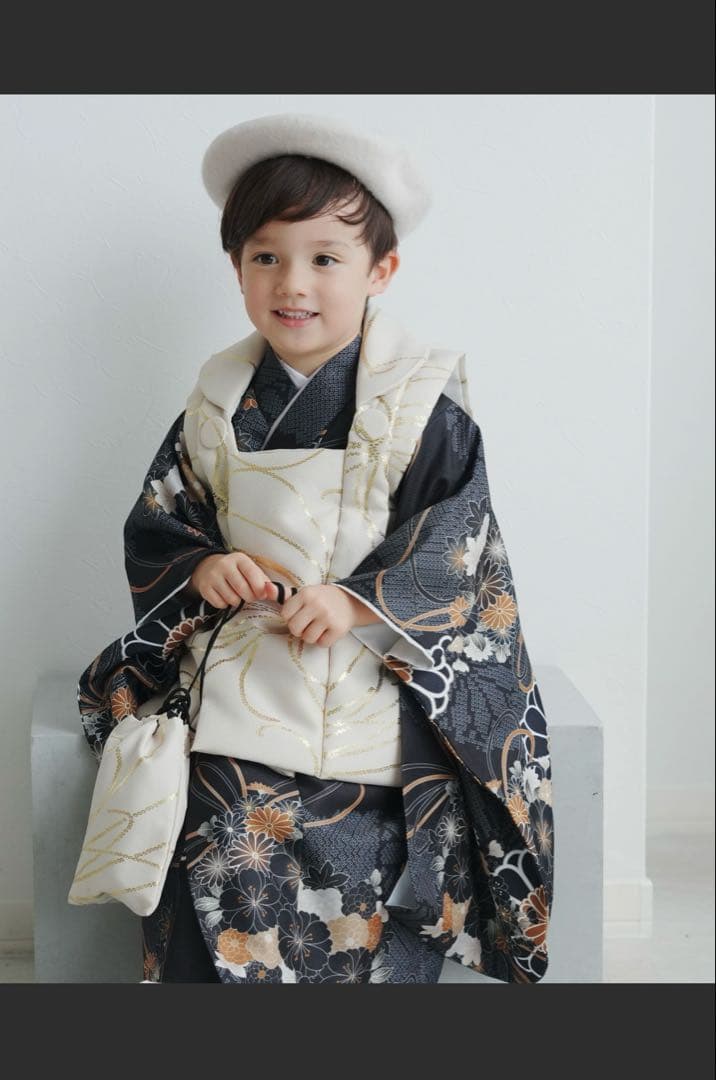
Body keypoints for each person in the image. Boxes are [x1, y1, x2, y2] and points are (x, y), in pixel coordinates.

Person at [77, 112, 554, 984]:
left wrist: (357, 600)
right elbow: (162, 522)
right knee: (215, 823)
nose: (292, 284)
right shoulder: (217, 402)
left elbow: (458, 546)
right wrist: (205, 566)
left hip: (381, 671)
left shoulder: (424, 406)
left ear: (382, 271)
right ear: (237, 267)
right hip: (248, 670)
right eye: (266, 256)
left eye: (325, 259)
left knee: (370, 830)